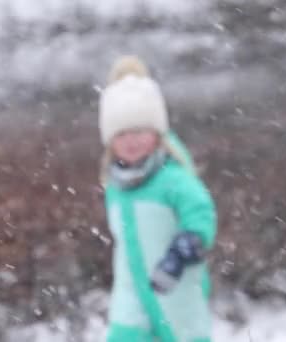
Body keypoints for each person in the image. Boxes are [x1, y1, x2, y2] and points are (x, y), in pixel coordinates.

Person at [99, 55, 217, 342]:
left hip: (175, 286)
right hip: (130, 292)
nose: (131, 140)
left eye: (140, 131)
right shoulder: (114, 185)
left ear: (157, 134)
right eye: (122, 133)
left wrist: (186, 245)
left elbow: (201, 212)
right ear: (110, 140)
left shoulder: (172, 179)